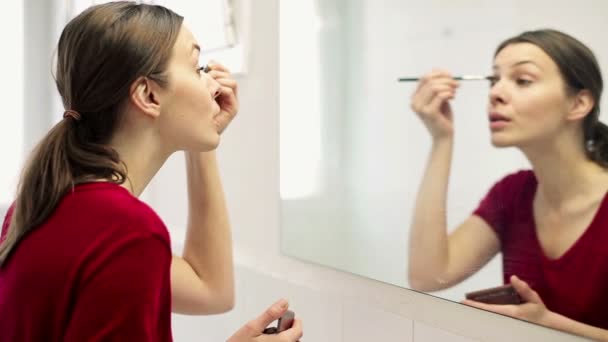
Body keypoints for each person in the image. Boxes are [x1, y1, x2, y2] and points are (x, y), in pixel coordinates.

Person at [0, 2, 302, 341]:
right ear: (148, 94)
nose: (214, 83)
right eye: (197, 66)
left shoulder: (36, 207)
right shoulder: (129, 233)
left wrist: (202, 140)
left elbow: (210, 289)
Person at [408, 29, 608, 341]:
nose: (495, 93)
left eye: (523, 80)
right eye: (493, 79)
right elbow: (428, 275)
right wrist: (441, 139)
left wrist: (553, 327)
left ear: (578, 104)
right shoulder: (512, 194)